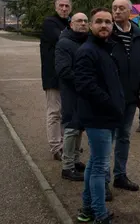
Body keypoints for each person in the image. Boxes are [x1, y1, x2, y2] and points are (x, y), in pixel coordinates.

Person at [73, 8, 124, 224]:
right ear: (91, 25)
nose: (104, 25)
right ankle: (100, 214)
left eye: (108, 22)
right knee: (100, 167)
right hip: (98, 117)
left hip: (106, 116)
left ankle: (87, 209)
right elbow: (86, 85)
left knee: (94, 163)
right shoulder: (87, 50)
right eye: (99, 22)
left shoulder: (105, 49)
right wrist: (111, 104)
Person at [110, 0, 140, 192]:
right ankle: (101, 181)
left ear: (130, 12)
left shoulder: (138, 34)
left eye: (121, 8)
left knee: (124, 136)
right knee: (106, 139)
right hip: (108, 97)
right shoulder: (107, 34)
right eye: (114, 8)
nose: (117, 11)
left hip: (131, 96)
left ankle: (120, 175)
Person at [55, 12, 89, 181]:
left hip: (83, 93)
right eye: (79, 21)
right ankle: (67, 167)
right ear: (71, 24)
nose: (82, 23)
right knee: (71, 127)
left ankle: (75, 160)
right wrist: (85, 80)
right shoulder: (64, 43)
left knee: (80, 126)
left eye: (85, 21)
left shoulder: (86, 40)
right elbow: (63, 70)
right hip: (71, 92)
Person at [40, 0, 72, 160]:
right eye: (61, 5)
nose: (64, 9)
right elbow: (62, 39)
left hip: (67, 75)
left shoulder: (69, 23)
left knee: (66, 111)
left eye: (67, 6)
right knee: (54, 112)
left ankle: (64, 143)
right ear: (56, 6)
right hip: (52, 75)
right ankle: (55, 147)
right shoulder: (49, 23)